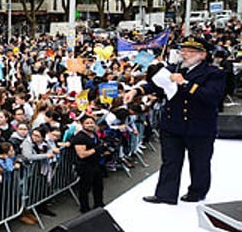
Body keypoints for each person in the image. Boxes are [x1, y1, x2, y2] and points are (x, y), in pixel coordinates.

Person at [124, 37, 226, 204]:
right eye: (183, 50)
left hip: (199, 126)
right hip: (173, 125)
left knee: (199, 163)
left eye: (189, 51)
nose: (184, 54)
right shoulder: (174, 68)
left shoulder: (214, 73)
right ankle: (165, 194)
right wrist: (137, 91)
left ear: (202, 55)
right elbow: (155, 84)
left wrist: (185, 83)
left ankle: (197, 192)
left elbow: (211, 97)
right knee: (170, 161)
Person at [69, 114, 106, 213]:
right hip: (85, 166)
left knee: (98, 186)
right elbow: (81, 154)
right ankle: (84, 208)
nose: (90, 125)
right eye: (87, 123)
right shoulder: (80, 137)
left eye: (91, 123)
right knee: (85, 188)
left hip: (96, 164)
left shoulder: (93, 134)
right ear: (82, 124)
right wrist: (96, 150)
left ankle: (99, 204)